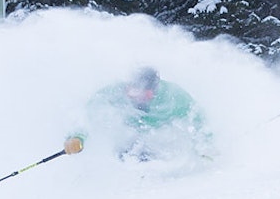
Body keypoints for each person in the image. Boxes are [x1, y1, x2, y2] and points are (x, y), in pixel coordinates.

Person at [64, 67, 211, 163]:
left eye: (145, 93)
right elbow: (90, 111)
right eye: (132, 91)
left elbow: (198, 117)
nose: (136, 96)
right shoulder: (116, 92)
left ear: (154, 90)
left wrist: (205, 146)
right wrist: (77, 136)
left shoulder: (173, 96)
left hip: (160, 141)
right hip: (129, 140)